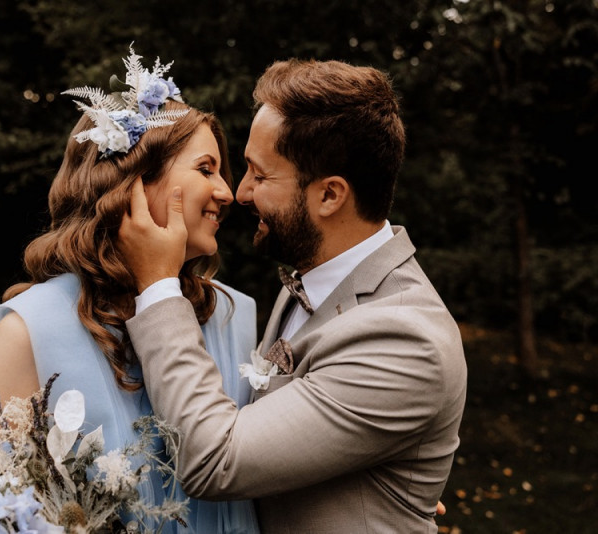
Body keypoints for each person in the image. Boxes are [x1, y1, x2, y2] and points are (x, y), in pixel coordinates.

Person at [118, 57, 468, 533]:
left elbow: (216, 459)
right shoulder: (310, 280)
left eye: (261, 177)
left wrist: (158, 287)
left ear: (330, 196)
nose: (239, 193)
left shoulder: (408, 340)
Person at [0, 47, 260, 534]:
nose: (226, 191)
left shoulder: (237, 316)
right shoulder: (31, 331)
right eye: (205, 169)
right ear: (135, 180)